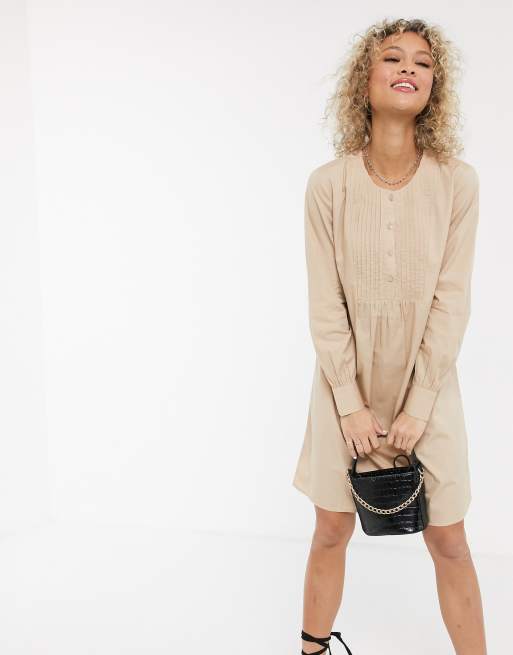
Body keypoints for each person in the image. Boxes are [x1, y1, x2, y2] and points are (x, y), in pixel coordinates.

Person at [292, 18, 488, 655]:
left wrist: (420, 402)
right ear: (364, 80)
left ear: (435, 86)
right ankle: (312, 650)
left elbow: (452, 300)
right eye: (393, 57)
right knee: (330, 530)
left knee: (450, 539)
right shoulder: (328, 184)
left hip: (429, 382)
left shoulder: (458, 182)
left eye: (423, 62)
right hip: (342, 383)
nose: (409, 68)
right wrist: (349, 402)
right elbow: (325, 303)